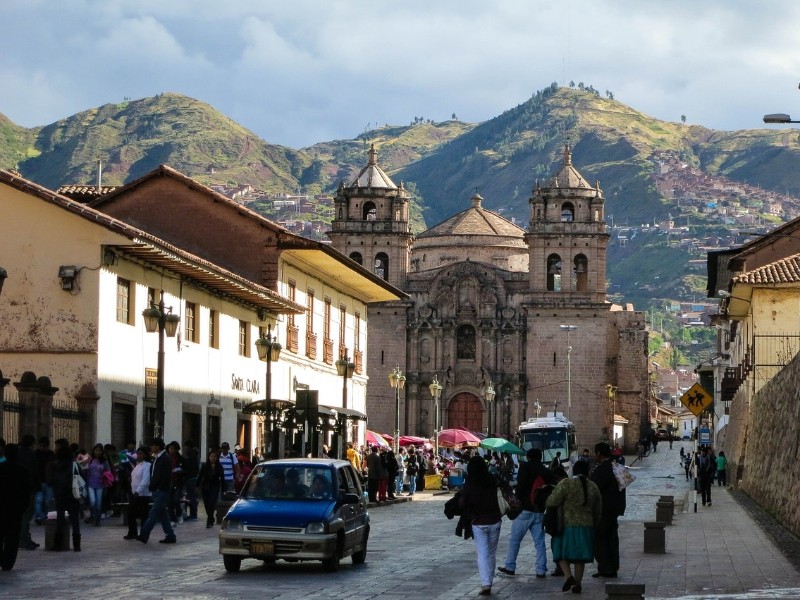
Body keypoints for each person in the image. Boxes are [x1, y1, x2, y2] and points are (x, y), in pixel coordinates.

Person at [498, 448, 557, 579]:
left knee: (515, 540)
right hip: (539, 510)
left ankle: (510, 566)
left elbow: (521, 486)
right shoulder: (545, 470)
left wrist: (517, 500)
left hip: (524, 509)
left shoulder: (525, 467)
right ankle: (541, 570)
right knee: (539, 542)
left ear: (529, 457)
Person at [545, 459, 601, 594]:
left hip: (566, 526)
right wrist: (594, 525)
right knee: (579, 557)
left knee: (560, 553)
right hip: (586, 527)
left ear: (573, 470)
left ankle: (568, 577)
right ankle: (578, 584)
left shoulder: (566, 484)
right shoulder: (593, 486)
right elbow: (598, 510)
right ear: (588, 472)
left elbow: (551, 501)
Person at [460, 454, 502, 596]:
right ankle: (489, 580)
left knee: (482, 553)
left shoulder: (470, 483)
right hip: (495, 519)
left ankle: (486, 584)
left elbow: (463, 503)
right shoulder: (492, 479)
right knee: (491, 553)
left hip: (478, 521)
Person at [591, 441, 625, 579]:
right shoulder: (617, 467)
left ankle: (605, 568)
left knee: (601, 540)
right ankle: (611, 567)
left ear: (599, 454)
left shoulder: (601, 470)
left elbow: (594, 490)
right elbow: (623, 487)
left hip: (603, 510)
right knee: (612, 539)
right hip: (614, 509)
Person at [137, 438, 176, 544]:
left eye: (152, 445)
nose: (151, 447)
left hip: (162, 490)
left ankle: (144, 534)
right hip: (156, 489)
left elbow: (165, 476)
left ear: (158, 446)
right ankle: (170, 535)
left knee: (153, 513)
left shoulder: (165, 458)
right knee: (162, 514)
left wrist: (158, 486)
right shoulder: (156, 458)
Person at [45, 438, 80, 553]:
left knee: (60, 518)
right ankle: (77, 545)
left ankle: (58, 544)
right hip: (73, 493)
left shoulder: (53, 465)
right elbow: (81, 477)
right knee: (75, 519)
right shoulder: (74, 464)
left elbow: (49, 481)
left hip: (59, 493)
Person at [0, 440, 31, 569]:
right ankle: (8, 562)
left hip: (1, 507)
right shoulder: (23, 471)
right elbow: (26, 492)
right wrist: (23, 507)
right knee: (12, 537)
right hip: (16, 509)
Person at [17, 434, 40, 550]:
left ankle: (25, 538)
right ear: (32, 444)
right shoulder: (31, 455)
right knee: (26, 516)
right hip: (29, 489)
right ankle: (24, 539)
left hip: (17, 489)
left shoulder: (18, 453)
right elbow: (35, 473)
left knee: (21, 516)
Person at [124, 447, 152, 540]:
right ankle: (132, 532)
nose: (138, 455)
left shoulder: (147, 465)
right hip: (134, 493)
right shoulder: (137, 465)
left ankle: (143, 534)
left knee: (143, 515)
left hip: (143, 494)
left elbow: (145, 480)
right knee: (130, 513)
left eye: (141, 453)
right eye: (138, 453)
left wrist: (138, 490)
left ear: (145, 454)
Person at [197, 450, 224, 528]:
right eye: (212, 456)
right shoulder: (205, 466)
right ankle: (211, 518)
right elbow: (200, 476)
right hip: (205, 487)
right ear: (209, 457)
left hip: (215, 487)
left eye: (215, 456)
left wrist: (224, 489)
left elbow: (222, 478)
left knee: (211, 503)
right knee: (206, 504)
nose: (213, 458)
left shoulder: (219, 466)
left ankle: (209, 520)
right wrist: (197, 485)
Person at [85, 443, 111, 526]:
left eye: (99, 450)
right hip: (90, 484)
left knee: (98, 503)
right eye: (96, 450)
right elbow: (84, 469)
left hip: (100, 484)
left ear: (102, 452)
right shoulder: (89, 460)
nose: (98, 452)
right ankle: (93, 516)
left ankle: (97, 520)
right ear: (93, 451)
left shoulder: (104, 461)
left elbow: (108, 472)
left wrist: (105, 475)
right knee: (92, 501)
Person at [33, 436, 54, 526]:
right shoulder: (36, 454)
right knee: (39, 500)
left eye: (44, 446)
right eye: (41, 445)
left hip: (48, 481)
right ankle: (40, 516)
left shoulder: (51, 455)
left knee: (47, 500)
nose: (42, 447)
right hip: (40, 481)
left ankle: (44, 516)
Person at [182, 440, 200, 521]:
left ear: (188, 446)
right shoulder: (194, 454)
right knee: (192, 497)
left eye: (185, 446)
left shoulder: (192, 456)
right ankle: (193, 514)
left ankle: (193, 514)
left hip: (191, 478)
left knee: (191, 497)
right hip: (192, 477)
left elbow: (190, 467)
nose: (184, 448)